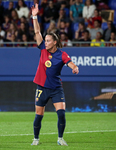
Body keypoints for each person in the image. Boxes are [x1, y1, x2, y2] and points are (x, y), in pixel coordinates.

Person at [31, 3, 79, 146]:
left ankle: (60, 138)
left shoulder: (62, 54)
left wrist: (74, 67)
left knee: (61, 114)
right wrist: (34, 16)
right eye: (45, 41)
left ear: (55, 42)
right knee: (39, 115)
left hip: (56, 88)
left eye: (48, 41)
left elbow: (70, 63)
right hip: (42, 88)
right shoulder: (43, 50)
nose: (45, 43)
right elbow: (37, 32)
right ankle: (36, 138)